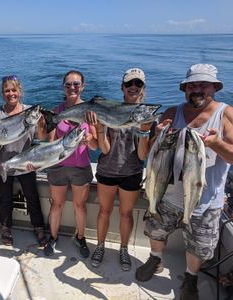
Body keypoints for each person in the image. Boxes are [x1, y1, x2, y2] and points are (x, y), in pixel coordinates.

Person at [135, 64, 233, 300]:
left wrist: (216, 144)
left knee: (197, 247)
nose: (197, 89)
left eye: (202, 85)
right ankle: (155, 259)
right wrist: (153, 133)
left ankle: (190, 277)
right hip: (166, 195)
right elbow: (146, 154)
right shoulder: (171, 112)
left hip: (205, 201)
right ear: (185, 89)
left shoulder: (226, 115)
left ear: (214, 87)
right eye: (192, 85)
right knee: (156, 231)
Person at [86, 68, 153, 271]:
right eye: (130, 83)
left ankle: (124, 248)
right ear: (123, 87)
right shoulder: (111, 110)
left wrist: (145, 131)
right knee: (104, 211)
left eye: (138, 84)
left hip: (132, 173)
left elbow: (142, 156)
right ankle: (99, 246)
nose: (134, 87)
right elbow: (104, 149)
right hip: (107, 170)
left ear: (143, 89)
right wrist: (98, 127)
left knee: (126, 214)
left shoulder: (148, 115)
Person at [43, 70, 98, 258]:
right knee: (56, 204)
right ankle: (53, 236)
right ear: (63, 87)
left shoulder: (90, 112)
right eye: (68, 84)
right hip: (58, 166)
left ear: (83, 86)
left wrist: (90, 138)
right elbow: (49, 144)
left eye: (76, 84)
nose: (72, 87)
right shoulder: (55, 112)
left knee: (79, 206)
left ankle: (80, 237)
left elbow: (95, 145)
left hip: (80, 166)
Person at [0, 75, 46, 246]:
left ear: (20, 92)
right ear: (2, 93)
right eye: (7, 90)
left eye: (14, 90)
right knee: (4, 198)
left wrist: (42, 123)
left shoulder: (30, 112)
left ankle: (38, 227)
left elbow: (41, 138)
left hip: (25, 163)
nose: (11, 93)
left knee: (32, 197)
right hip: (3, 163)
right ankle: (6, 228)